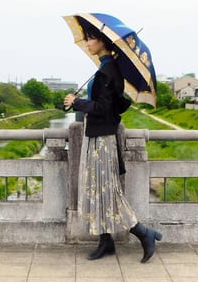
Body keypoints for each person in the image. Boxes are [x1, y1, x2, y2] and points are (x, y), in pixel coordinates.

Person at [64, 25, 162, 262]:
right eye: (86, 39)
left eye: (91, 39)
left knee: (109, 191)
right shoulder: (105, 69)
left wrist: (78, 103)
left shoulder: (110, 71)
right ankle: (106, 242)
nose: (87, 43)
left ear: (102, 42)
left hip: (104, 139)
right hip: (96, 136)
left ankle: (144, 233)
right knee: (98, 191)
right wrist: (75, 102)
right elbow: (101, 103)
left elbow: (104, 108)